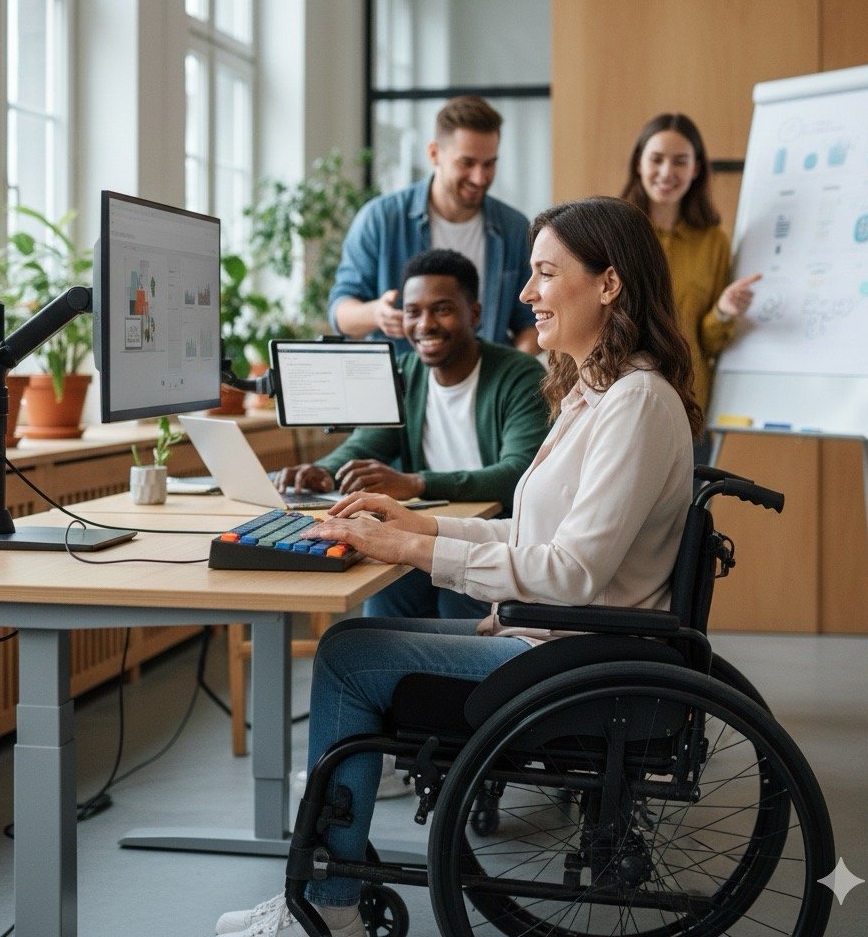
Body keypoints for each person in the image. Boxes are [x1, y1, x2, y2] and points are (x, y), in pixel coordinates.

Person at [214, 196, 701, 937]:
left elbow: (569, 572)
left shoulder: (634, 402)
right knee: (355, 644)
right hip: (564, 644)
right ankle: (327, 890)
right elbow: (536, 529)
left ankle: (330, 905)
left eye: (545, 274)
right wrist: (420, 523)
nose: (528, 294)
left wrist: (414, 550)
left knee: (347, 657)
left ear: (608, 285)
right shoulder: (598, 392)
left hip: (576, 662)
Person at [278, 248, 550, 620]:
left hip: (489, 538)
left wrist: (418, 483)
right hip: (420, 531)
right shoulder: (403, 372)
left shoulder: (519, 375)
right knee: (383, 595)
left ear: (474, 314)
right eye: (413, 311)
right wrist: (323, 470)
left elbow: (517, 472)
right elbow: (367, 442)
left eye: (442, 309)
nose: (425, 325)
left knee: (458, 603)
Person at [328, 95, 540, 356]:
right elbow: (341, 314)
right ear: (433, 153)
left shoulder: (514, 228)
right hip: (404, 387)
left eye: (489, 164)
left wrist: (511, 372)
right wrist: (376, 314)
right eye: (467, 163)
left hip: (486, 391)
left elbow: (530, 322)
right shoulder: (381, 219)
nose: (479, 177)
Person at [620, 112, 760, 453]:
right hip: (622, 403)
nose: (667, 172)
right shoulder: (616, 231)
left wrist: (724, 312)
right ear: (639, 163)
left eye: (680, 161)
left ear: (696, 169)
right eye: (657, 159)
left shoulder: (713, 242)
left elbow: (708, 343)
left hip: (688, 406)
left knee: (690, 506)